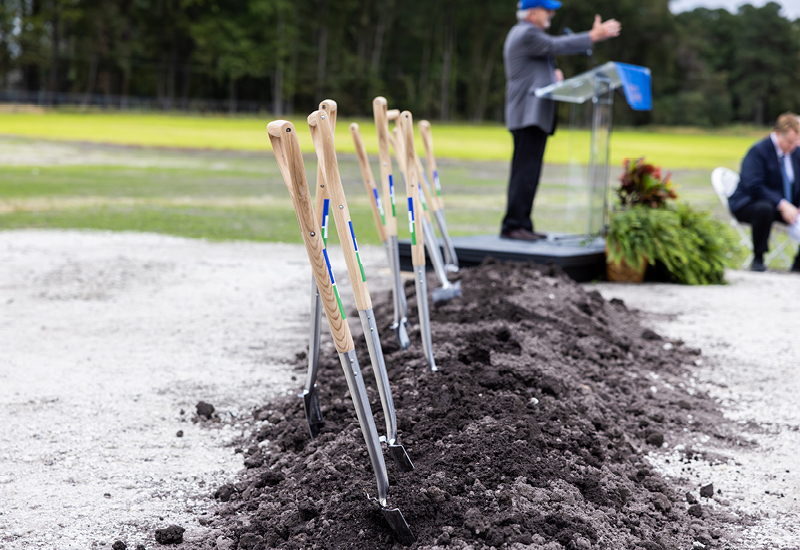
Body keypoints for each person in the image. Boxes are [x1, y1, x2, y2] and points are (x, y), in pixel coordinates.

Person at [500, 0, 621, 241]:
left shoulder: (529, 34)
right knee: (524, 173)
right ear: (532, 13)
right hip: (527, 115)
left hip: (532, 116)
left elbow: (538, 65)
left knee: (530, 173)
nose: (551, 14)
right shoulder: (526, 33)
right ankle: (513, 226)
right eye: (547, 10)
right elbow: (556, 45)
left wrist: (553, 78)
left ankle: (523, 224)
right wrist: (593, 36)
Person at [728, 112, 800, 272]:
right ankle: (758, 258)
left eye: (796, 142)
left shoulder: (795, 153)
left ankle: (798, 264)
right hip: (749, 203)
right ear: (777, 134)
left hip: (784, 206)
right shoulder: (758, 151)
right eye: (789, 142)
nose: (792, 146)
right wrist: (782, 204)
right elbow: (754, 186)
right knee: (764, 208)